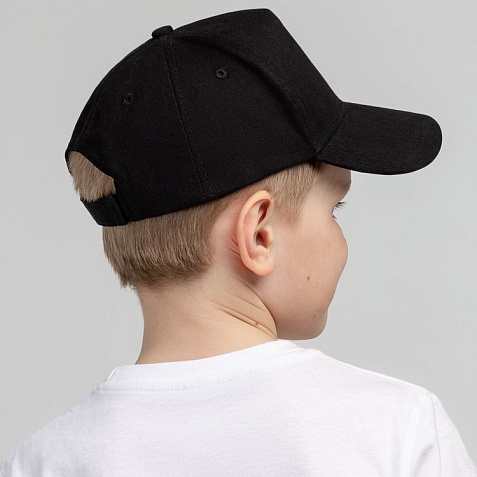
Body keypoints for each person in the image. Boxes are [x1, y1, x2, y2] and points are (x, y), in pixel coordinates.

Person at [1, 7, 476, 476]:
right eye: (334, 210)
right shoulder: (397, 431)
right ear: (259, 234)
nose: (341, 234)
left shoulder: (43, 462)